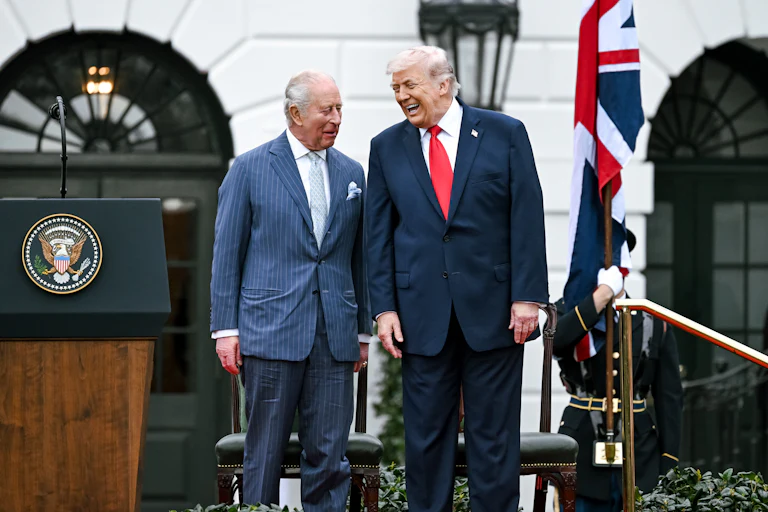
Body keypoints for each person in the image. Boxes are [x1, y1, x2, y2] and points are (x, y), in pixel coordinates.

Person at [365, 46, 548, 512]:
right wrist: (383, 308)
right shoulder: (386, 147)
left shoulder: (505, 133)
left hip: (496, 314)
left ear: (443, 84)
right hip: (420, 316)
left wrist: (528, 297)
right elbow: (378, 235)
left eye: (410, 85)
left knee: (493, 441)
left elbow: (526, 216)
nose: (401, 96)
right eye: (395, 88)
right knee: (425, 443)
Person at [209, 70, 371, 511]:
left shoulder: (352, 172)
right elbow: (227, 254)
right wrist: (226, 329)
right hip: (269, 333)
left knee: (330, 457)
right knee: (262, 455)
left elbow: (359, 257)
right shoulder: (249, 168)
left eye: (340, 108)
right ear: (295, 113)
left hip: (334, 337)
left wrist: (361, 331)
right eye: (327, 109)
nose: (337, 118)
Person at [553, 230, 683, 512]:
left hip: (640, 455)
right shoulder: (568, 311)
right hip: (582, 452)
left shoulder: (651, 320)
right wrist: (600, 297)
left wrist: (668, 460)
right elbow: (556, 341)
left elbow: (669, 398)